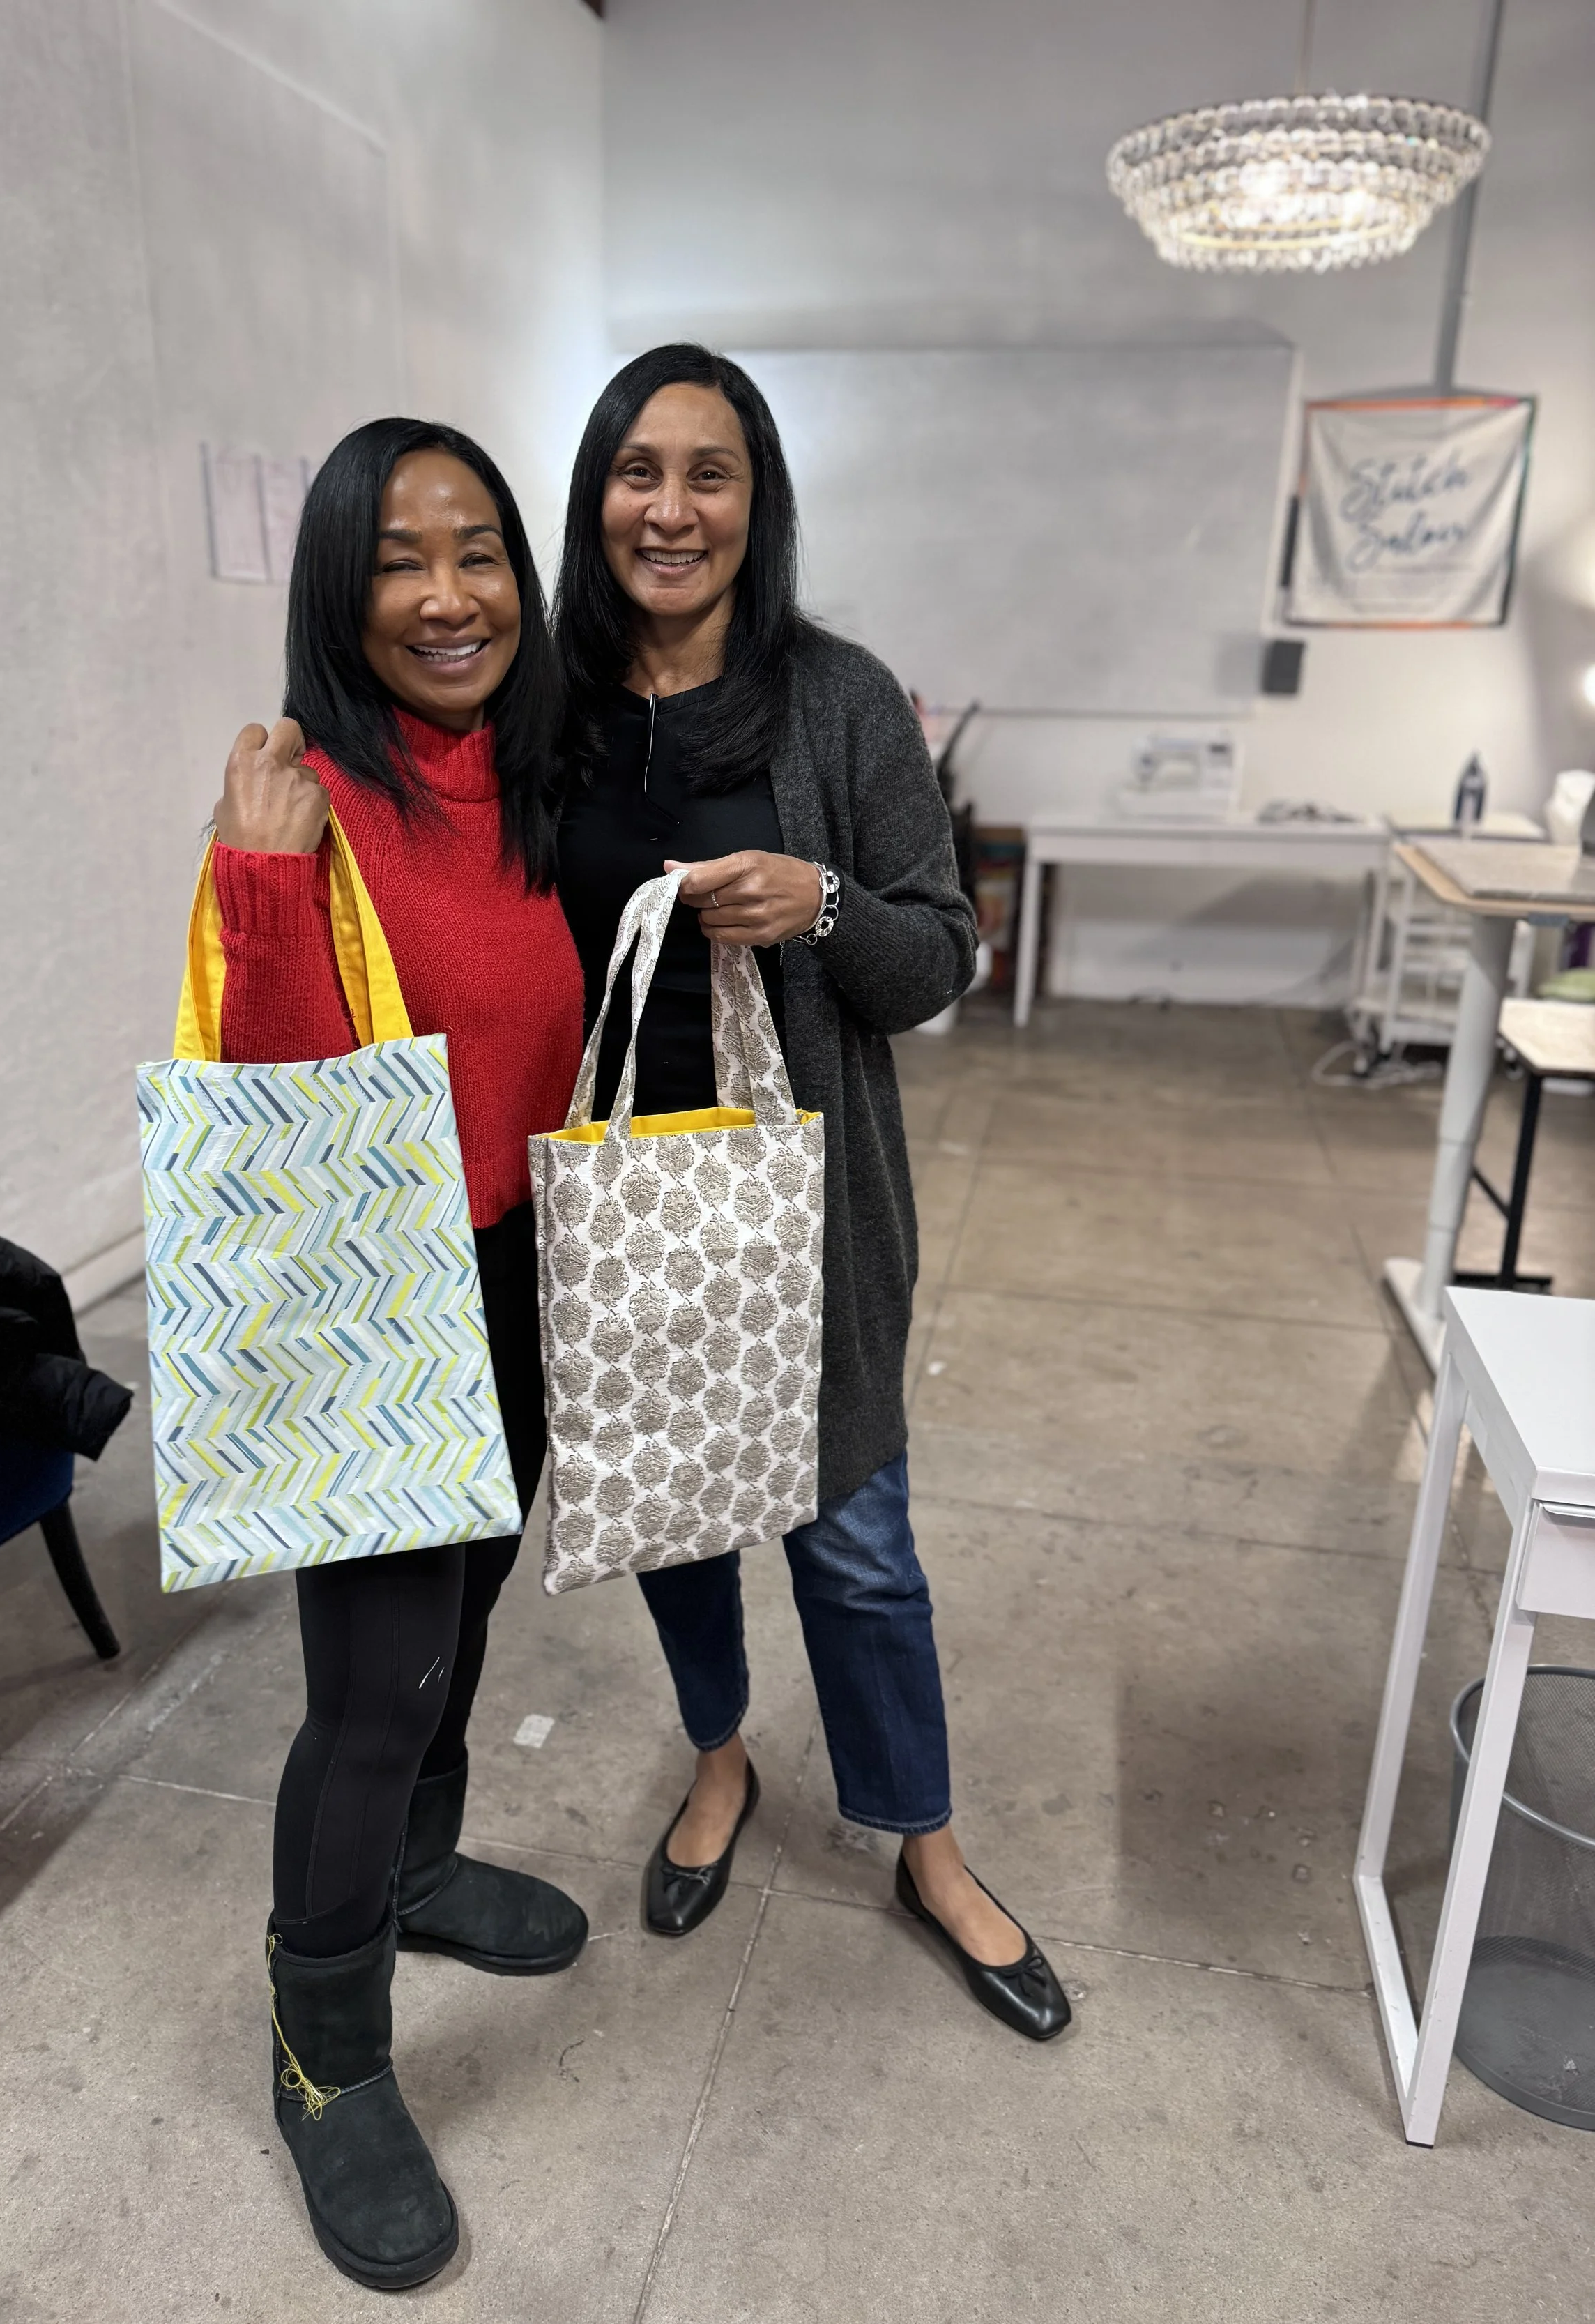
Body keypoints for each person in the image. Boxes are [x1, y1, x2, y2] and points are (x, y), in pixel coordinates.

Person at [554, 346, 1071, 2044]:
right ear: (596, 492)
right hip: (623, 1201)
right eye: (640, 469)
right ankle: (719, 1760)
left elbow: (938, 958)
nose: (671, 507)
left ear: (755, 500)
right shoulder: (549, 702)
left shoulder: (837, 697)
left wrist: (826, 905)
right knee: (675, 1521)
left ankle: (920, 1836)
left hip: (807, 1204)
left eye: (710, 472)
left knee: (854, 1547)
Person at [208, 418, 588, 2291]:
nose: (447, 597)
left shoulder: (519, 777)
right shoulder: (298, 799)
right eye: (397, 562)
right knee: (369, 1686)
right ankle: (323, 2053)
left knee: (469, 1624)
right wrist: (266, 895)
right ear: (338, 592)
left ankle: (420, 1871)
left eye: (478, 554)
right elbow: (269, 1116)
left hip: (516, 1277)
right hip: (373, 1298)